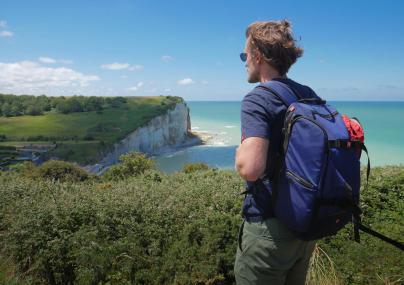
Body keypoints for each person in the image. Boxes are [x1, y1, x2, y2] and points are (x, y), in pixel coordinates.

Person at [234, 20, 317, 285]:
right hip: (305, 223)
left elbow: (251, 168)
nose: (244, 61)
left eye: (244, 55)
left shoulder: (258, 98)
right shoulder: (308, 94)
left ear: (257, 56)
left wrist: (240, 153)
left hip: (269, 228)